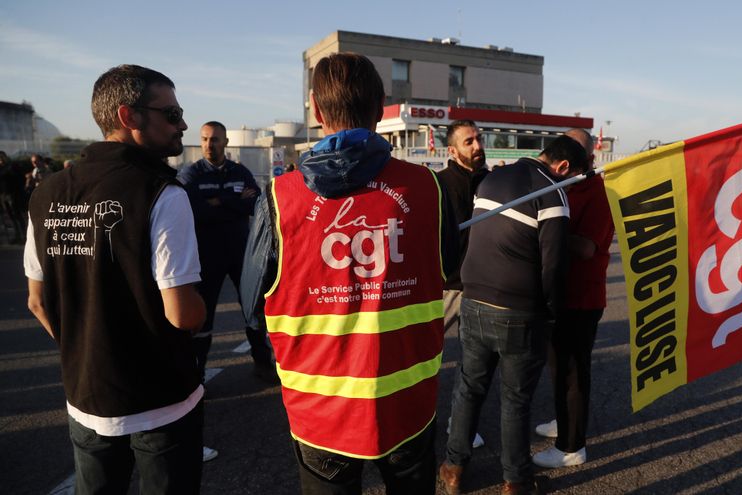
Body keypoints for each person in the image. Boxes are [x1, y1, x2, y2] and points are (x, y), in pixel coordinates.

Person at [240, 52, 458, 494]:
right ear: (381, 108)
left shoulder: (279, 197)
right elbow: (449, 270)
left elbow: (251, 306)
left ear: (316, 111)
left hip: (321, 411)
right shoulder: (427, 188)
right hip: (408, 404)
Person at [24, 64, 206, 494]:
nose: (182, 124)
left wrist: (87, 345)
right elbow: (182, 315)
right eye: (172, 113)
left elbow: (36, 300)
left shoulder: (47, 192)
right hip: (161, 400)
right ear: (129, 117)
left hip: (86, 392)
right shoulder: (161, 191)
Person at [440, 135, 589, 495]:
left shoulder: (492, 179)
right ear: (564, 167)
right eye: (576, 177)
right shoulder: (553, 194)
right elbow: (553, 268)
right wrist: (552, 312)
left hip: (474, 300)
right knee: (515, 399)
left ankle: (453, 468)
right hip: (520, 310)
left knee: (469, 388)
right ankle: (515, 481)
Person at [532, 129, 614, 468]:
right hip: (560, 296)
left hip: (582, 299)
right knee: (560, 368)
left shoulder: (597, 193)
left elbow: (586, 247)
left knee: (573, 374)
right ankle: (564, 421)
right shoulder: (564, 187)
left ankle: (571, 447)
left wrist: (546, 227)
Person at [177, 121, 275, 383]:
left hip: (241, 255)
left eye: (215, 139)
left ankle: (263, 364)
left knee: (253, 311)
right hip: (206, 257)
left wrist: (216, 202)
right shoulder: (191, 174)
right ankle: (196, 376)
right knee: (203, 317)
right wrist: (232, 202)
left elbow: (255, 203)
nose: (210, 144)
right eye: (205, 139)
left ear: (226, 142)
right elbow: (192, 209)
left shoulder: (239, 171)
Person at [436, 119, 489, 448]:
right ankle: (415, 416)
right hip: (442, 287)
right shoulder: (436, 184)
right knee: (423, 356)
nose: (478, 145)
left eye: (479, 138)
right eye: (469, 141)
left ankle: (462, 422)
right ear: (453, 151)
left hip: (482, 286)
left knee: (474, 365)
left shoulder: (494, 184)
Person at [0, 151, 27, 243]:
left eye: (2, 157)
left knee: (17, 215)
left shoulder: (12, 166)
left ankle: (23, 236)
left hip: (14, 194)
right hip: (4, 195)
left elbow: (21, 178)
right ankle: (17, 235)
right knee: (11, 216)